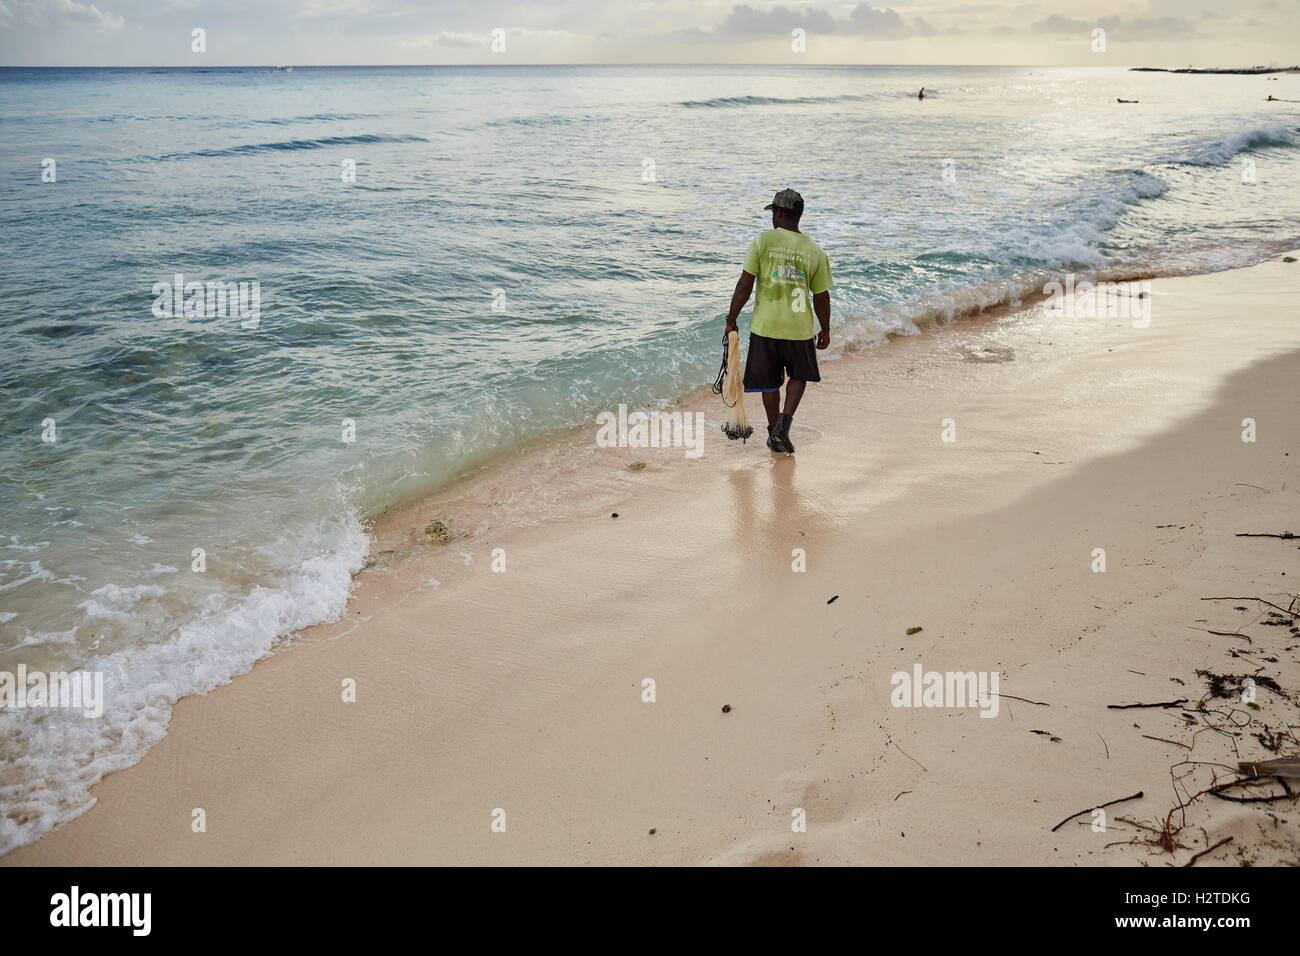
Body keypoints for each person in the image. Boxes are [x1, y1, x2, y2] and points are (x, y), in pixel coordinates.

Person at [724, 188, 832, 455]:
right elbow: (822, 296)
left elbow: (744, 285)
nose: (773, 217)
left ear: (781, 213)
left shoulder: (762, 242)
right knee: (798, 377)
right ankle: (783, 426)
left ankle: (775, 431)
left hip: (766, 327)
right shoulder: (815, 250)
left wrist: (731, 318)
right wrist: (825, 329)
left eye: (774, 213)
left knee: (770, 383)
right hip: (799, 329)